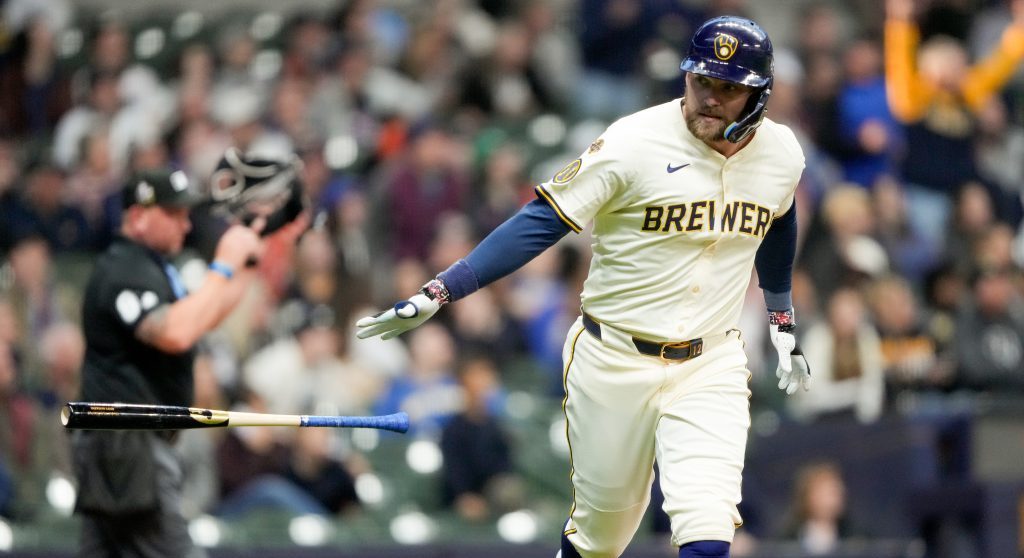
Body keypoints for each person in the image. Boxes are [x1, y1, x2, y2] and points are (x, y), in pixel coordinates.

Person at [358, 16, 810, 558]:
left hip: (710, 362)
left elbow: (779, 219)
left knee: (708, 533)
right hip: (613, 358)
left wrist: (782, 318)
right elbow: (540, 221)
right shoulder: (634, 142)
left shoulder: (781, 154)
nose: (710, 97)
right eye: (701, 81)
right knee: (599, 542)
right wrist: (441, 290)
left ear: (759, 96)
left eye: (729, 88)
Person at [72, 168, 265, 558]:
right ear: (138, 215)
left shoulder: (150, 266)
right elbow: (174, 333)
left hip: (126, 444)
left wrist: (246, 265)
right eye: (173, 213)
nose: (186, 224)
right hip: (126, 444)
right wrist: (222, 265)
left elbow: (202, 318)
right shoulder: (123, 268)